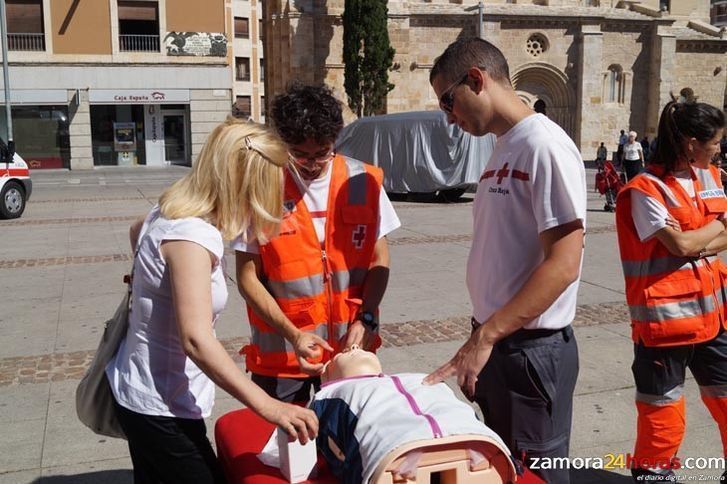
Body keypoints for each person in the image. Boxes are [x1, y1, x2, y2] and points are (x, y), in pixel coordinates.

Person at [105, 119, 319, 484]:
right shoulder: (192, 235)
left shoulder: (171, 207)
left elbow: (136, 230)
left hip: (139, 387)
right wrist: (270, 407)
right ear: (243, 183)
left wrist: (151, 282)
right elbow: (196, 340)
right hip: (161, 405)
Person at [424, 37, 586, 483]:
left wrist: (486, 336)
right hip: (500, 343)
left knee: (537, 473)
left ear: (476, 79)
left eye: (447, 101)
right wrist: (482, 336)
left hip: (530, 350)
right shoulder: (503, 147)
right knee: (503, 469)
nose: (448, 117)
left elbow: (564, 262)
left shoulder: (543, 145)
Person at [234, 83, 401, 403]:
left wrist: (366, 318)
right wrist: (293, 335)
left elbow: (379, 259)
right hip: (283, 358)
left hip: (349, 353)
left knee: (347, 445)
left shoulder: (363, 180)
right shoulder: (261, 188)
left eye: (322, 152)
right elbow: (247, 277)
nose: (312, 163)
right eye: (300, 154)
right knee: (286, 449)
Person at [615, 101, 727, 482]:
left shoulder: (710, 175)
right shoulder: (645, 188)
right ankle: (653, 474)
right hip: (666, 326)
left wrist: (699, 238)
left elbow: (693, 241)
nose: (719, 149)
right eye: (714, 143)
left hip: (714, 319)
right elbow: (679, 246)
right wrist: (715, 228)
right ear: (692, 143)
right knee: (662, 414)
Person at [310, 347, 515, 484]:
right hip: (393, 451)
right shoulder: (329, 396)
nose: (353, 347)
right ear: (329, 378)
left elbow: (456, 407)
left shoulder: (415, 378)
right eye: (342, 353)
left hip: (473, 441)